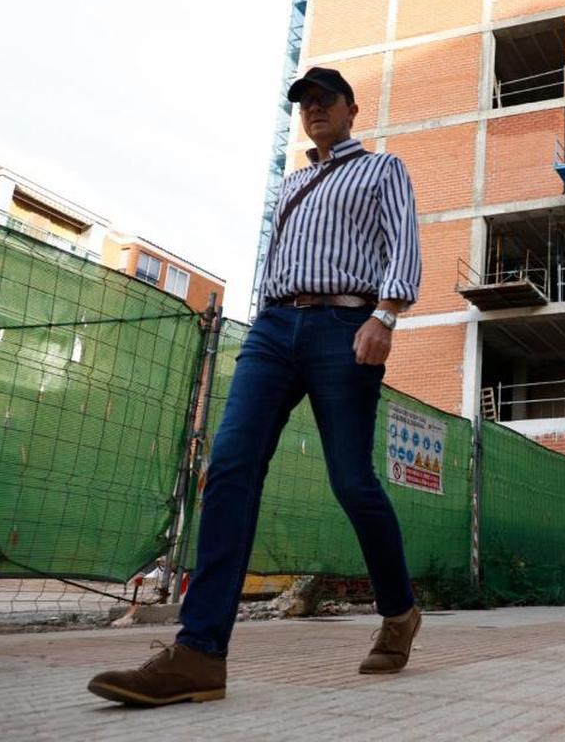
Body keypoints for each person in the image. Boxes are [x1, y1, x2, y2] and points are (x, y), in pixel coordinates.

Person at [88, 67, 423, 707]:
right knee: (232, 465)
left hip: (346, 325)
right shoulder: (291, 184)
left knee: (352, 480)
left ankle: (400, 610)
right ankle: (200, 653)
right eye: (305, 102)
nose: (315, 109)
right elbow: (274, 262)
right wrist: (263, 318)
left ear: (353, 109)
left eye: (327, 99)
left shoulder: (383, 170)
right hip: (273, 329)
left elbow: (402, 242)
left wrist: (385, 315)